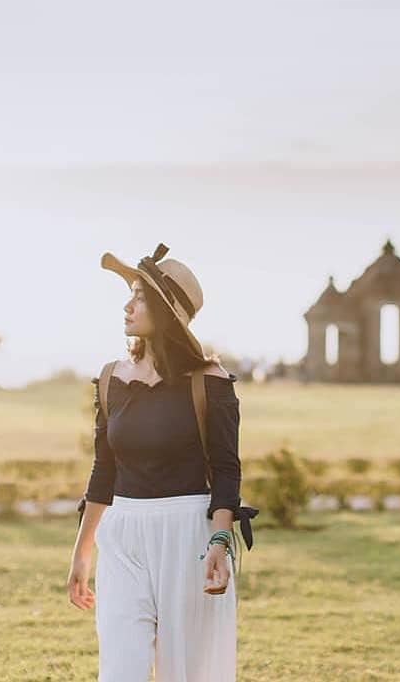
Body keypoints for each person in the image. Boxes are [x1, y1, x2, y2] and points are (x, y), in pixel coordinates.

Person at [67, 244, 255, 682]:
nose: (127, 306)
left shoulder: (211, 383)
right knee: (121, 671)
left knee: (186, 673)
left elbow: (226, 471)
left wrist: (220, 541)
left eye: (139, 297)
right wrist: (82, 552)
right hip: (123, 536)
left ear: (166, 314)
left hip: (188, 536)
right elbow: (103, 470)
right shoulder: (111, 379)